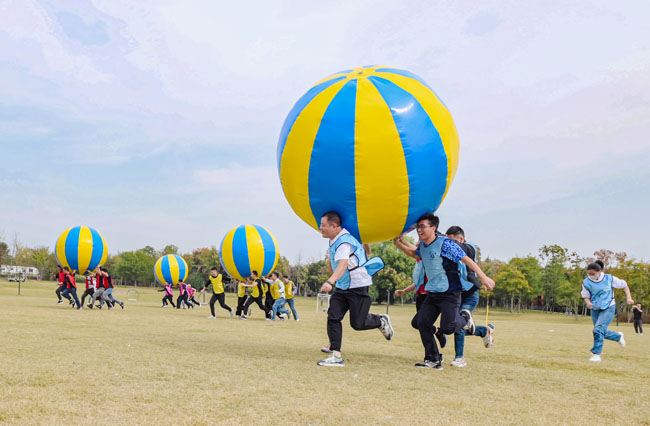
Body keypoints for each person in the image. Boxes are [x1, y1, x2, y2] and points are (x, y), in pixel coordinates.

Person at [394, 213, 495, 370]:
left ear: (433, 228)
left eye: (422, 226)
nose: (419, 230)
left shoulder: (445, 244)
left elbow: (466, 259)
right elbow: (413, 253)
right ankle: (433, 359)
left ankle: (465, 319)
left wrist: (483, 277)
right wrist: (397, 242)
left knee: (448, 328)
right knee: (422, 323)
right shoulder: (423, 246)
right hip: (433, 293)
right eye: (418, 227)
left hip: (450, 293)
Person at [317, 211, 393, 367]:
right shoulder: (334, 240)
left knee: (358, 323)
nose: (320, 228)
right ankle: (336, 355)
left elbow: (343, 264)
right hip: (343, 286)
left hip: (358, 285)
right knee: (333, 316)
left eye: (323, 225)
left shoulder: (344, 242)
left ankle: (380, 320)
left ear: (334, 226)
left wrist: (330, 281)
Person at [445, 226, 494, 368]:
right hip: (456, 294)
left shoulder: (470, 247)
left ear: (461, 239)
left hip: (470, 293)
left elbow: (462, 249)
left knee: (460, 321)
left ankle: (460, 358)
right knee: (455, 325)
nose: (449, 246)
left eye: (452, 241)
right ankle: (484, 331)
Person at [582, 260, 634, 362]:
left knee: (598, 330)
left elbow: (624, 285)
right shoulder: (586, 282)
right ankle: (618, 336)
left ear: (599, 272)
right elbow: (586, 295)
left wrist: (629, 298)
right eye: (589, 274)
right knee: (599, 331)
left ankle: (596, 354)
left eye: (593, 274)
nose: (591, 276)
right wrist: (588, 303)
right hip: (595, 308)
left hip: (608, 307)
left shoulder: (609, 278)